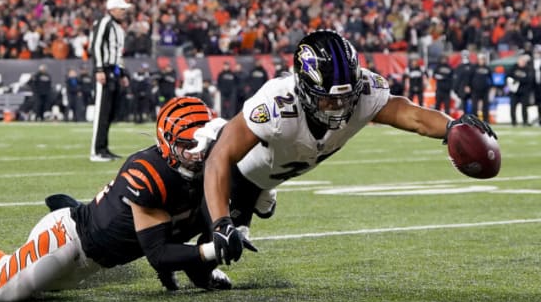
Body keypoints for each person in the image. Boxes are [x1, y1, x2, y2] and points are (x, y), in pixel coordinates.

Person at [0, 97, 244, 302]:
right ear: (168, 145)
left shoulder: (199, 172)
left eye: (205, 140)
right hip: (66, 240)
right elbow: (158, 253)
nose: (202, 150)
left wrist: (203, 262)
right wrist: (210, 253)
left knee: (6, 270)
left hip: (86, 263)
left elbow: (188, 223)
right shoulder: (147, 173)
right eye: (190, 144)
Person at [199, 30, 497, 261]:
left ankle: (261, 197)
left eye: (345, 97)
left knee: (256, 211)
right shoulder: (277, 104)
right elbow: (219, 157)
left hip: (273, 169)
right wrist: (221, 222)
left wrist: (450, 126)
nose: (339, 107)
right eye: (328, 98)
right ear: (303, 88)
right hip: (230, 169)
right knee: (207, 248)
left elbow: (409, 114)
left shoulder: (364, 92)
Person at [89, 0, 132, 162]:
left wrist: (121, 74)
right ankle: (96, 151)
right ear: (112, 9)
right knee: (101, 113)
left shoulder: (118, 27)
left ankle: (104, 148)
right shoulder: (104, 22)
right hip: (104, 70)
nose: (123, 12)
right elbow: (96, 46)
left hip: (113, 72)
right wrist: (99, 69)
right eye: (121, 9)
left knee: (109, 112)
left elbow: (118, 54)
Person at [506, 54, 534, 127]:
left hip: (524, 92)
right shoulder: (513, 67)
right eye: (521, 61)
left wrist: (518, 80)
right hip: (514, 92)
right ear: (518, 61)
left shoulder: (528, 69)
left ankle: (525, 121)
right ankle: (513, 122)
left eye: (524, 61)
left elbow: (529, 80)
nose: (522, 62)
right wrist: (511, 83)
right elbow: (507, 77)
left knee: (524, 108)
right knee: (513, 107)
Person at [468, 54, 493, 122]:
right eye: (481, 59)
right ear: (478, 60)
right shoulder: (474, 68)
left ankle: (486, 120)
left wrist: (491, 86)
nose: (482, 61)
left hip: (485, 90)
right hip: (475, 90)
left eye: (483, 59)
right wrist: (468, 86)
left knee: (485, 106)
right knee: (474, 106)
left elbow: (491, 79)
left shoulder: (487, 68)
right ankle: (474, 120)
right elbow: (469, 78)